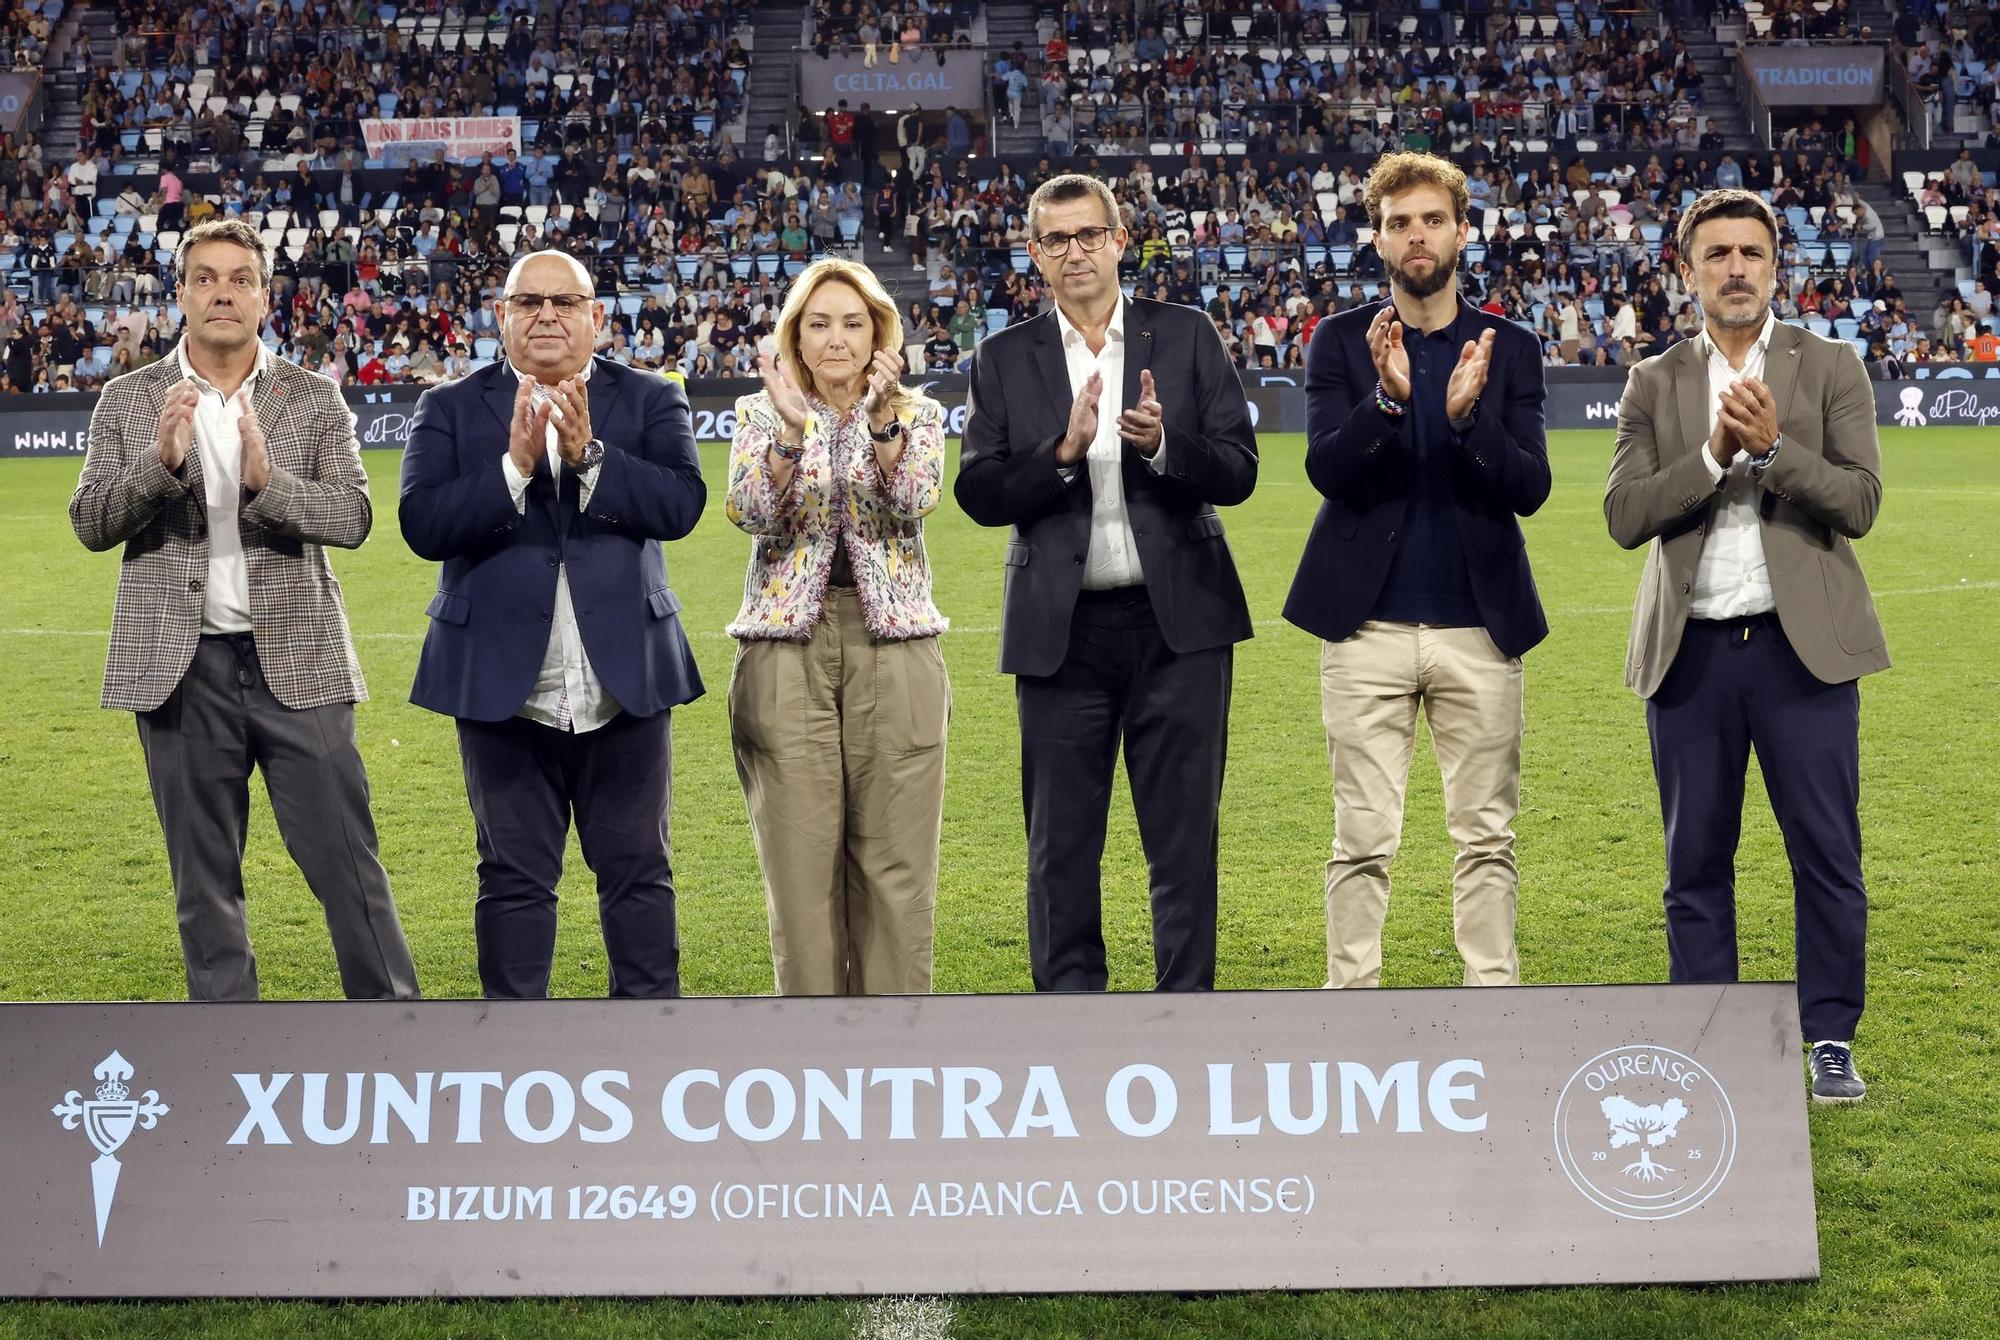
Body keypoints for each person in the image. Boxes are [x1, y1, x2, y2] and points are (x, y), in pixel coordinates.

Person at [67, 218, 419, 1002]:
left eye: (240, 278)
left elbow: (354, 518)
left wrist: (270, 486)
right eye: (206, 277)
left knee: (348, 866)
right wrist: (159, 469)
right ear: (182, 293)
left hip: (300, 658)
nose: (223, 291)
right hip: (178, 669)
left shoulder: (314, 396)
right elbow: (90, 522)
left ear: (265, 297)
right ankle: (224, 1051)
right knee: (204, 884)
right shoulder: (128, 399)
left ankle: (400, 1035)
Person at [1605, 188, 1888, 1103]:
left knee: (1826, 855)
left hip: (1801, 654)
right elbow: (1624, 515)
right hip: (1689, 655)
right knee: (1694, 862)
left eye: (1751, 254)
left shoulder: (1832, 365)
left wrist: (1771, 454)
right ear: (1686, 271)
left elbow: (1860, 503)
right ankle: (1711, 1036)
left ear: (1776, 266)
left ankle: (1829, 1035)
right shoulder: (1654, 380)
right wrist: (1712, 460)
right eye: (1717, 253)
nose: (1735, 268)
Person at [956, 173, 1258, 993]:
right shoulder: (1003, 356)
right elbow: (978, 492)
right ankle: (1068, 1020)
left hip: (1180, 628)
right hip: (1063, 631)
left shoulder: (1188, 335)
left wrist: (1163, 446)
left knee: (1184, 841)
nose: (1075, 252)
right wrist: (1059, 454)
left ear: (1121, 241)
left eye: (1090, 235)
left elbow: (1238, 470)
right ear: (1034, 255)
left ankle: (1185, 1011)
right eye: (1056, 239)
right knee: (1060, 847)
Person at [399, 248, 706, 1000]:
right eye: (527, 301)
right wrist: (513, 469)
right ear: (500, 316)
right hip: (503, 687)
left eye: (564, 302)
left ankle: (649, 1052)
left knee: (639, 874)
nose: (545, 315)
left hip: (624, 680)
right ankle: (513, 1056)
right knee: (511, 879)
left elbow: (681, 506)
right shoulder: (448, 407)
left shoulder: (650, 399)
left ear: (596, 316)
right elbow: (423, 524)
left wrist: (589, 457)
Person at [1284, 151, 1551, 991]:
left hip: (1481, 624)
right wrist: (1391, 401)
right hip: (1366, 628)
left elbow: (1531, 487)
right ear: (1378, 239)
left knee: (1486, 835)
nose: (1417, 235)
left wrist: (1469, 422)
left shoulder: (1510, 346)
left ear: (1462, 230)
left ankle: (1493, 1000)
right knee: (1361, 836)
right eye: (1400, 223)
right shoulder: (1341, 340)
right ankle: (1350, 1003)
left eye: (1433, 219)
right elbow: (1329, 469)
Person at [725, 258, 952, 995]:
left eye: (853, 323)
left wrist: (882, 421)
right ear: (795, 333)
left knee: (897, 873)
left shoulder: (919, 414)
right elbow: (754, 513)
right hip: (786, 651)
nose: (836, 339)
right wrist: (794, 434)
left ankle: (896, 1066)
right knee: (799, 875)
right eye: (818, 323)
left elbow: (914, 499)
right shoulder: (758, 415)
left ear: (880, 333)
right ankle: (812, 1065)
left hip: (897, 649)